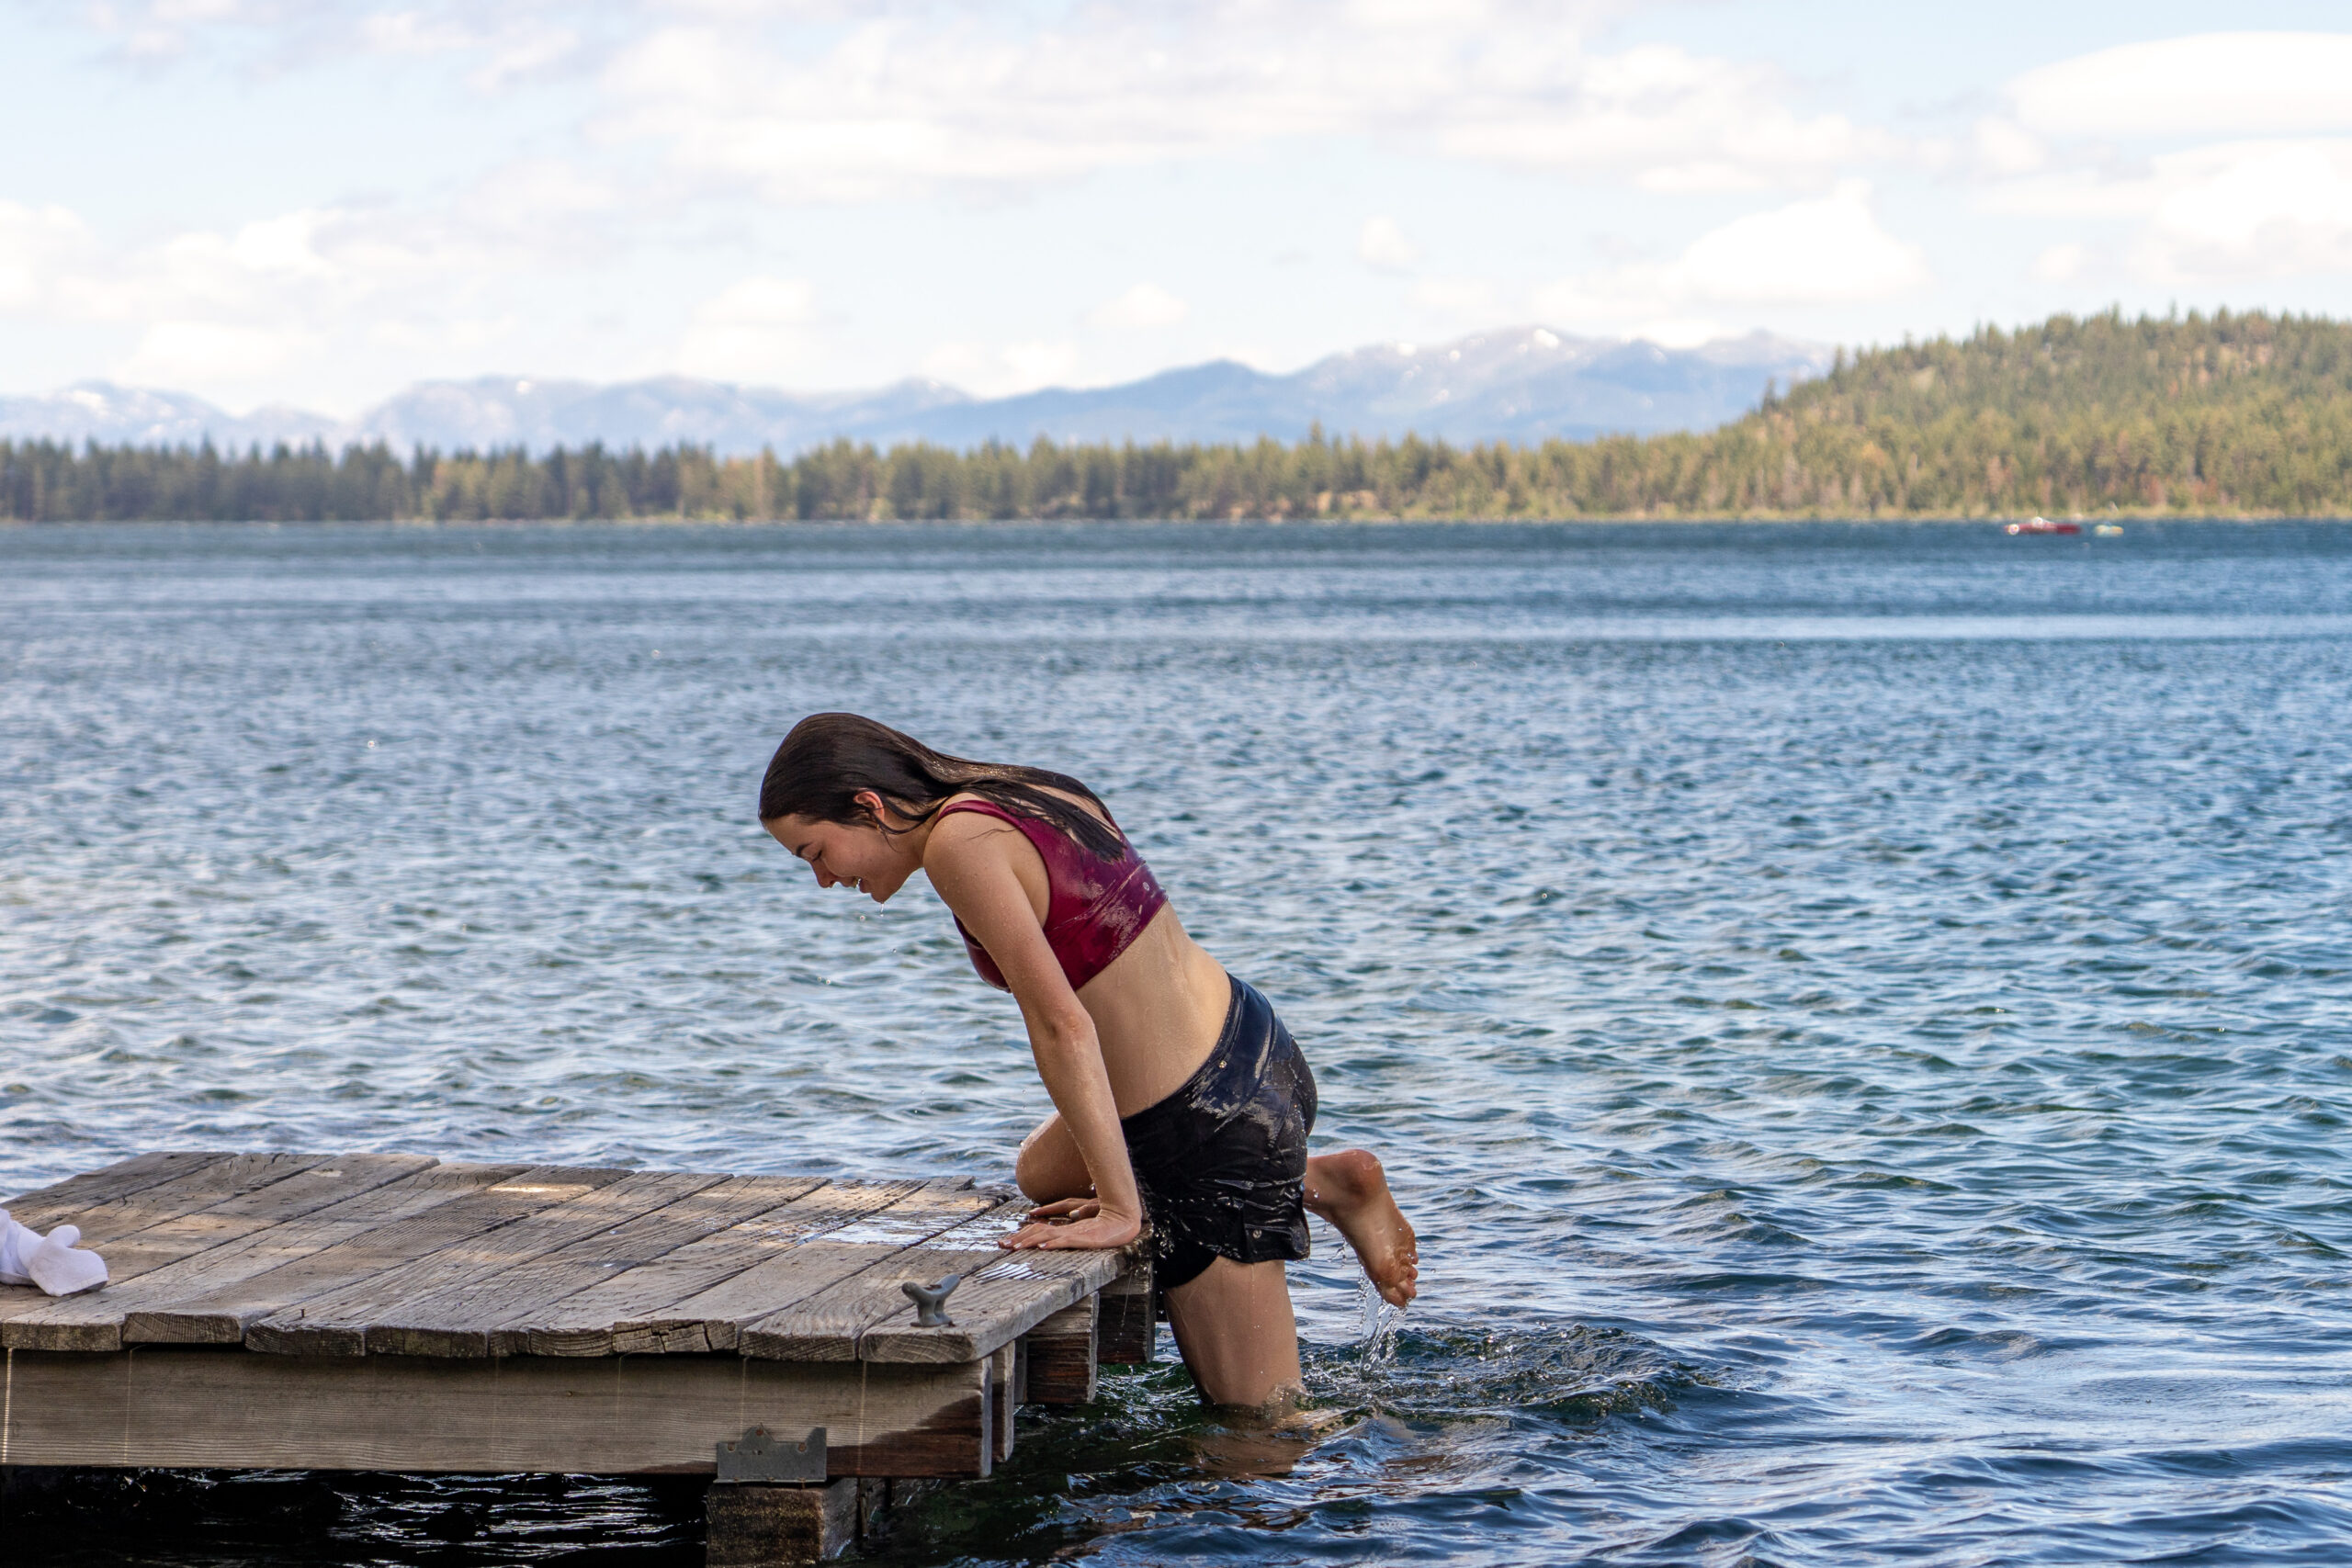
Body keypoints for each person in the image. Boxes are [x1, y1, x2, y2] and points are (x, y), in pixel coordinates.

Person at [758, 713, 1418, 1408]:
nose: (825, 881)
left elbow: (1062, 1025)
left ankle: (1430, 1474)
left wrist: (1121, 1211)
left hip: (1207, 1130)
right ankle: (1323, 1180)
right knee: (1038, 1172)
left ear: (868, 804)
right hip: (1252, 1037)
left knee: (1263, 1430)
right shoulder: (1030, 792)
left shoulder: (960, 845)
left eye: (815, 853)